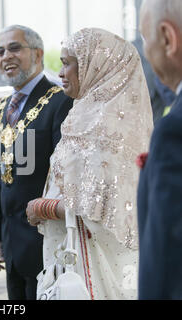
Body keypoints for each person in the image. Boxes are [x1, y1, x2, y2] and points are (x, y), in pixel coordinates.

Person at [26, 28, 153, 299]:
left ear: (98, 66)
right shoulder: (83, 117)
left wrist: (43, 207)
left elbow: (105, 211)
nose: (60, 73)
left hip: (101, 267)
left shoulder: (108, 129)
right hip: (72, 258)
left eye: (68, 62)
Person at [0, 25, 73, 300]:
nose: (5, 57)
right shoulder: (1, 109)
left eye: (14, 48)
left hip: (45, 241)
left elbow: (64, 175)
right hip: (10, 244)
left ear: (38, 53)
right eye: (0, 52)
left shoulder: (60, 102)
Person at [138, 0, 182, 299]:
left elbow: (165, 267)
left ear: (168, 38)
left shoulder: (173, 131)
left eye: (144, 38)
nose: (144, 50)